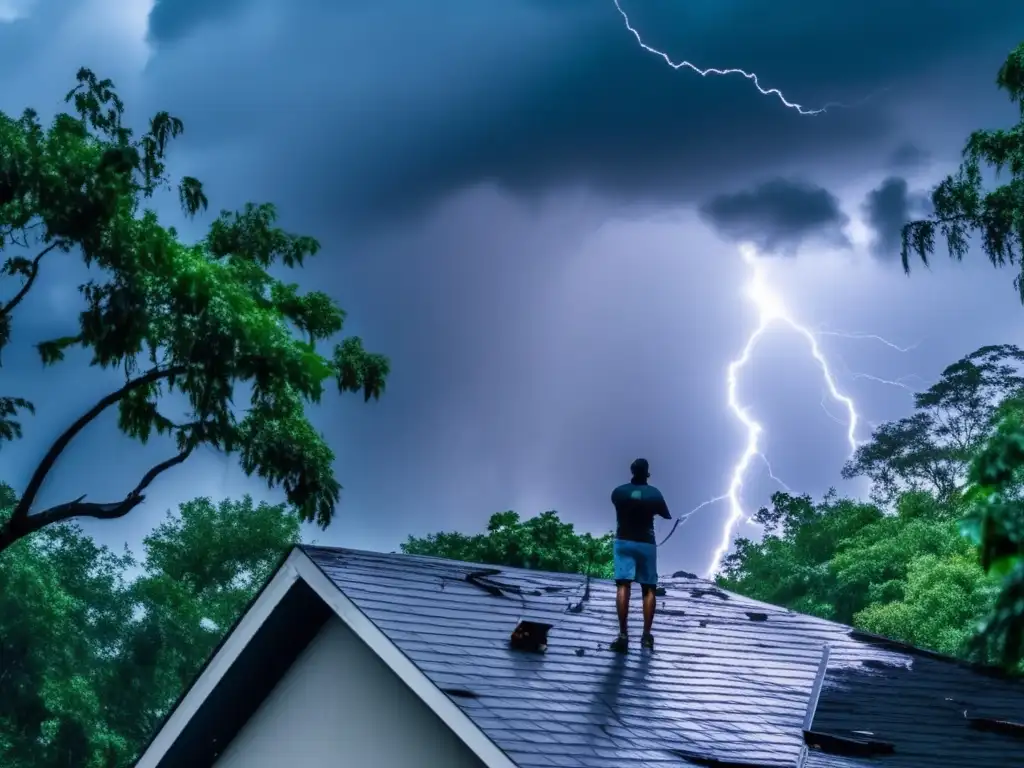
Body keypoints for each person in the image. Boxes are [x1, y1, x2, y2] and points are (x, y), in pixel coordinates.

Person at [609, 458, 671, 652]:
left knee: (623, 584)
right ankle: (646, 636)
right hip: (646, 543)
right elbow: (666, 515)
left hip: (623, 541)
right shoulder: (654, 494)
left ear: (632, 471)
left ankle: (623, 634)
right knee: (649, 588)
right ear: (647, 473)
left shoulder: (618, 492)